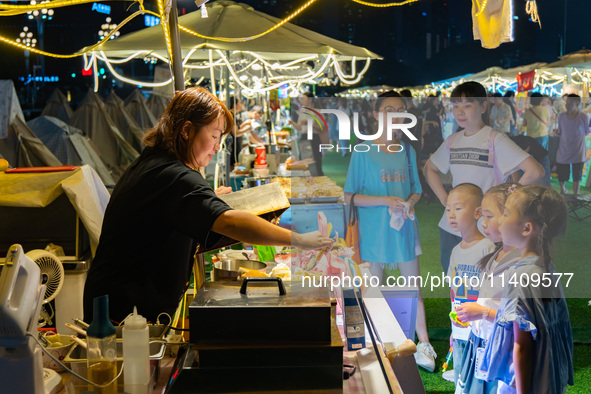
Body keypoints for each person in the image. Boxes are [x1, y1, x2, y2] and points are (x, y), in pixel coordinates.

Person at [83, 87, 333, 323]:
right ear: (187, 130)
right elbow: (230, 221)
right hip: (120, 315)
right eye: (214, 136)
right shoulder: (174, 176)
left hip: (118, 305)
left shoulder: (154, 164)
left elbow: (170, 213)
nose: (217, 147)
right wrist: (299, 240)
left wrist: (208, 198)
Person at [343, 91, 437, 372]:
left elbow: (417, 191)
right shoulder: (363, 151)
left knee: (414, 290)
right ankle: (375, 344)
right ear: (376, 114)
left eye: (400, 110)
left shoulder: (408, 151)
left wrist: (409, 202)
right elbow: (349, 196)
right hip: (373, 233)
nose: (395, 115)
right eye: (389, 109)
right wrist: (384, 201)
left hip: (404, 230)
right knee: (373, 291)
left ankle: (424, 344)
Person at [423, 81, 544, 274]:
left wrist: (508, 198)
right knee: (454, 281)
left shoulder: (495, 139)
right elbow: (430, 168)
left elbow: (535, 171)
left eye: (468, 105)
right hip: (451, 226)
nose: (460, 112)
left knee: (484, 284)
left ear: (483, 107)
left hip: (484, 229)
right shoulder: (453, 140)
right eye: (456, 106)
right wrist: (445, 200)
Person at [481, 185, 574, 394]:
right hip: (548, 375)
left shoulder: (521, 277)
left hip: (522, 383)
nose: (501, 221)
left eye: (505, 214)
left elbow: (522, 346)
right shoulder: (546, 266)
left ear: (526, 228)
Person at [455, 183, 522, 394]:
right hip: (482, 341)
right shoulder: (496, 254)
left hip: (502, 350)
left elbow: (521, 321)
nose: (483, 223)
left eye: (489, 216)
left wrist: (482, 312)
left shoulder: (522, 266)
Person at [444, 183, 495, 384]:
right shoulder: (456, 250)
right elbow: (453, 290)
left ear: (477, 213)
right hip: (459, 327)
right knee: (460, 380)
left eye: (458, 208)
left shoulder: (488, 247)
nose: (451, 214)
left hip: (480, 331)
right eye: (448, 209)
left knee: (478, 382)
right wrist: (453, 327)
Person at [556, 94, 590, 196]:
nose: (567, 105)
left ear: (577, 104)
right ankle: (563, 189)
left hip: (578, 150)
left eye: (570, 103)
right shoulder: (561, 117)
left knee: (577, 174)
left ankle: (576, 194)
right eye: (567, 102)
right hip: (564, 148)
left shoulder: (583, 116)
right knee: (562, 172)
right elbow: (560, 131)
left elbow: (586, 131)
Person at [290, 92, 324, 175]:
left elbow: (321, 127)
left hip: (314, 138)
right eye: (301, 98)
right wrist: (292, 123)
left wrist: (309, 123)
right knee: (305, 161)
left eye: (303, 98)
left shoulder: (317, 111)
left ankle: (319, 179)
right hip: (304, 137)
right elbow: (299, 127)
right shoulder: (302, 111)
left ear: (310, 99)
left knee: (316, 160)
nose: (302, 100)